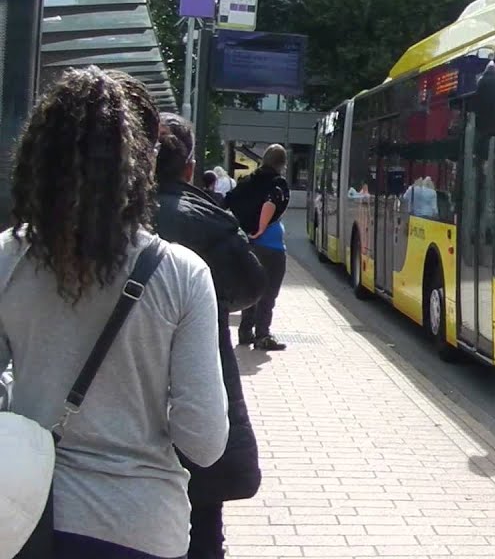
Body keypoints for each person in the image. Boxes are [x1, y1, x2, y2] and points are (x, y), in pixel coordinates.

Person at [0, 67, 228, 558]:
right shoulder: (182, 274)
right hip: (140, 525)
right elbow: (205, 441)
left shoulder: (6, 259)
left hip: (22, 519)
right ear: (140, 164)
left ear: (38, 157)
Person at [154, 113, 266, 559]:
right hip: (197, 383)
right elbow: (251, 287)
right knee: (203, 515)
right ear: (189, 167)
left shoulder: (102, 217)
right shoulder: (209, 220)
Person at [229, 144, 290, 351]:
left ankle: (245, 331)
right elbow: (270, 203)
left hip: (249, 244)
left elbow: (229, 201)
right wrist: (261, 228)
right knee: (269, 292)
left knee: (252, 288)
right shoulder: (277, 182)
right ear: (281, 164)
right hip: (270, 246)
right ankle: (263, 334)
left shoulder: (247, 181)